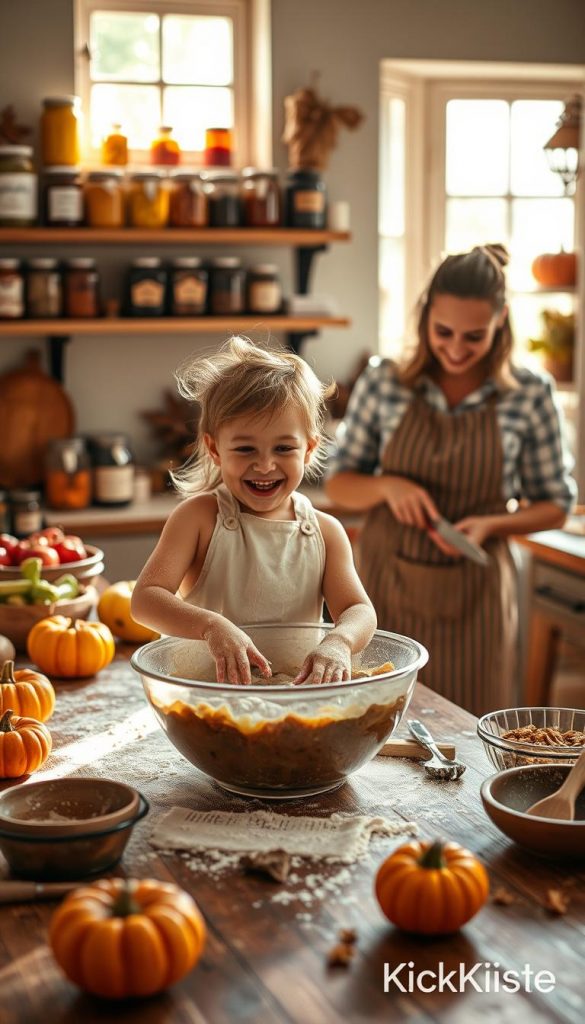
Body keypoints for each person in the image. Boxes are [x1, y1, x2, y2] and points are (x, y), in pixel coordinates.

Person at [325, 244, 577, 716]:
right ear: (425, 317)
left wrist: (489, 525)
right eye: (444, 332)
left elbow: (556, 504)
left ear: (500, 320)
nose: (457, 349)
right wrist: (388, 487)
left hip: (476, 594)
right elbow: (340, 485)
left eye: (474, 336)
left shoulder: (528, 394)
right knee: (373, 723)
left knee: (471, 729)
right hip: (387, 584)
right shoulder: (386, 382)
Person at [131, 336, 376, 685]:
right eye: (245, 449)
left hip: (296, 703)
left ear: (308, 449)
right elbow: (145, 600)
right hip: (208, 704)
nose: (264, 465)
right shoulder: (198, 519)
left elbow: (359, 610)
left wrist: (339, 640)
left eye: (284, 448)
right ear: (215, 450)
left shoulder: (325, 532)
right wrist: (211, 626)